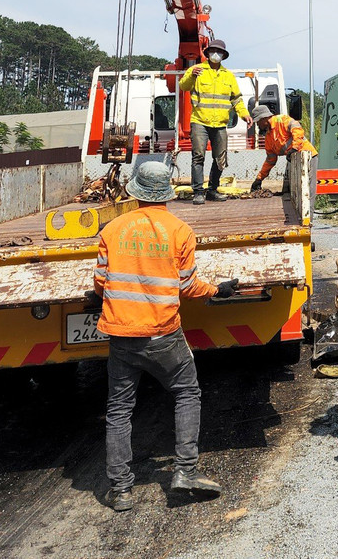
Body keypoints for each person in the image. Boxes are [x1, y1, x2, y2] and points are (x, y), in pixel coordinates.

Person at [93, 160, 238, 512]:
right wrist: (217, 291)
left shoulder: (112, 230)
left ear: (135, 192)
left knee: (118, 410)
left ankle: (122, 490)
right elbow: (187, 286)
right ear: (168, 194)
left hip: (121, 333)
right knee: (187, 392)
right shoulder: (180, 231)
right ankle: (186, 471)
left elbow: (100, 283)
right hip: (163, 333)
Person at [178, 39, 250, 204]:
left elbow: (236, 99)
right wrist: (190, 75)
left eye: (219, 52)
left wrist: (244, 114)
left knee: (220, 158)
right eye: (212, 51)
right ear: (208, 53)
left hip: (219, 124)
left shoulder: (228, 76)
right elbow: (183, 86)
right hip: (200, 121)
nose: (215, 55)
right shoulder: (197, 70)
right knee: (198, 156)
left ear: (223, 56)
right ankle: (198, 192)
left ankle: (212, 190)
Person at [248, 105, 318, 197]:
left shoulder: (282, 120)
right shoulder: (269, 137)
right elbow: (270, 160)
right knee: (297, 193)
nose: (257, 125)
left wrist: (294, 148)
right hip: (295, 160)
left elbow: (297, 130)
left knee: (308, 191)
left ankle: (310, 211)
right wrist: (259, 179)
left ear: (263, 118)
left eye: (257, 122)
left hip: (308, 157)